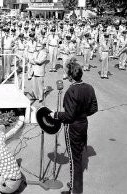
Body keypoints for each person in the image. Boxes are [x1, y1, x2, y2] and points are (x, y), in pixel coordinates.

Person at [50, 58, 98, 194]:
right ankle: (74, 183)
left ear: (70, 77)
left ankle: (75, 190)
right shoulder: (89, 87)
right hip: (83, 125)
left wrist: (55, 115)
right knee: (77, 157)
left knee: (74, 159)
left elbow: (69, 116)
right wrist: (82, 114)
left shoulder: (71, 91)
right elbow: (94, 108)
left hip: (73, 128)